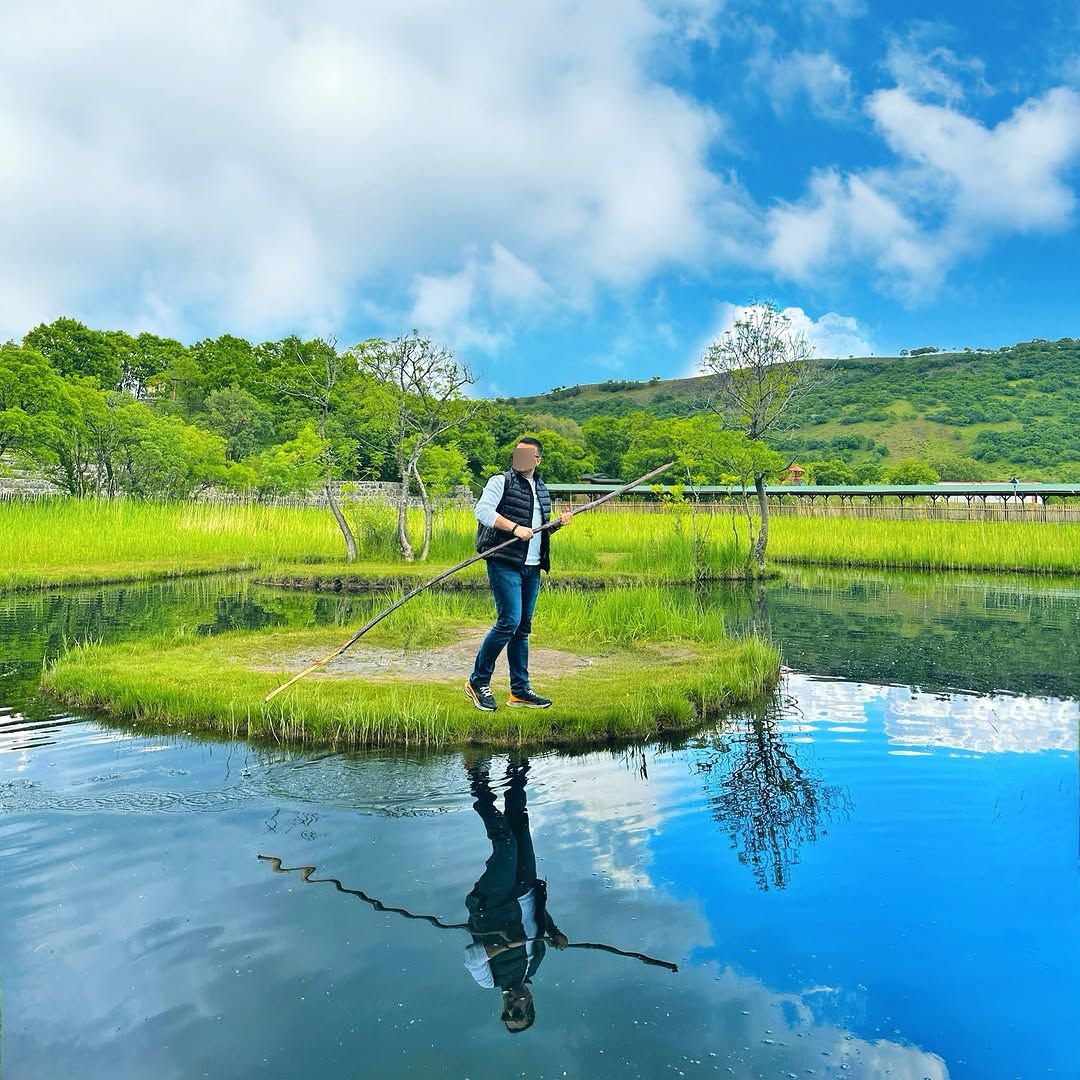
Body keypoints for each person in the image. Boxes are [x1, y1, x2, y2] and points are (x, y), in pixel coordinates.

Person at [465, 436, 572, 712]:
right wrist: (513, 528)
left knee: (522, 629)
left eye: (526, 454)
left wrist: (557, 524)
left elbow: (538, 529)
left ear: (537, 459)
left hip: (533, 565)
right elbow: (483, 511)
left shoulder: (542, 488)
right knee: (508, 621)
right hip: (504, 560)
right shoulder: (501, 481)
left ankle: (520, 691)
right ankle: (478, 682)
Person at [463, 757, 567, 1033]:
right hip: (525, 889)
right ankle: (517, 768)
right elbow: (536, 919)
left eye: (506, 1013)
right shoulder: (536, 963)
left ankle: (478, 781)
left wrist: (506, 946)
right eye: (518, 1011)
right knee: (519, 825)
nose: (511, 1006)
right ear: (529, 1002)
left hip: (494, 902)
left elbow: (471, 957)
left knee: (506, 845)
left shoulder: (489, 981)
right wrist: (554, 932)